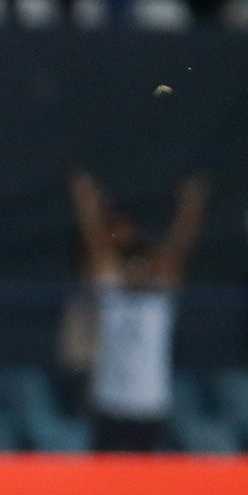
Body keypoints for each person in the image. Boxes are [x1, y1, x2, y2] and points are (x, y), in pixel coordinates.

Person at [70, 171, 207, 453]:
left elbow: (177, 249)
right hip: (109, 402)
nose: (137, 272)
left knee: (146, 482)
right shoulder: (112, 296)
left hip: (148, 404)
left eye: (143, 266)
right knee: (101, 477)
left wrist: (190, 208)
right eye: (130, 267)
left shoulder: (158, 302)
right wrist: (86, 205)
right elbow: (98, 249)